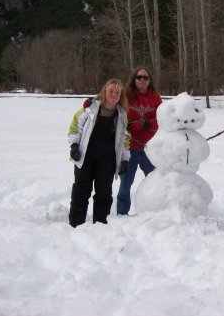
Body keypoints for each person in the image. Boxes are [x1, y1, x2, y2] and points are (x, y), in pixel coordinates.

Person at [68, 78, 130, 228]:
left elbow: (125, 140)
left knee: (104, 193)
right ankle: (76, 225)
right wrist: (74, 146)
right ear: (104, 91)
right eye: (111, 91)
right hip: (85, 157)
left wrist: (124, 159)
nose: (114, 94)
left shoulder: (122, 115)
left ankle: (100, 226)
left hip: (107, 160)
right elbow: (75, 128)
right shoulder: (89, 110)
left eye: (117, 92)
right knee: (81, 191)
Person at [116, 67, 162, 215]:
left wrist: (147, 123)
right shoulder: (125, 95)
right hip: (129, 148)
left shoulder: (155, 97)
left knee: (156, 180)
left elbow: (163, 118)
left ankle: (156, 209)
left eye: (145, 77)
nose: (142, 80)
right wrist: (91, 103)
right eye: (139, 77)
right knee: (125, 184)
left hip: (149, 148)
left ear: (149, 80)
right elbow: (109, 103)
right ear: (134, 79)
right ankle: (122, 214)